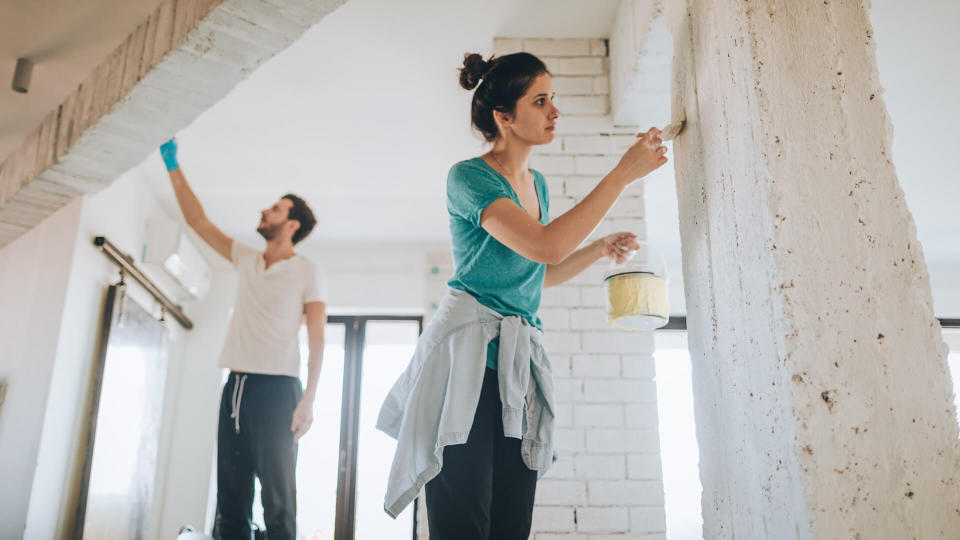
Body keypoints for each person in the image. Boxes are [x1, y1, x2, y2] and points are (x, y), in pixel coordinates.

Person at [376, 52, 667, 539]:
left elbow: (538, 273)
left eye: (553, 98)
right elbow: (547, 245)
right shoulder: (469, 178)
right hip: (464, 361)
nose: (555, 111)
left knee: (512, 522)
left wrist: (597, 249)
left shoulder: (537, 185)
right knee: (465, 522)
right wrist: (622, 174)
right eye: (540, 100)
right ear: (503, 117)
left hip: (514, 364)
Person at [159, 138, 327, 540]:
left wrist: (309, 400)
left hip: (280, 390)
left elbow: (318, 339)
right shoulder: (246, 259)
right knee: (231, 499)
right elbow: (198, 222)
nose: (264, 211)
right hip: (236, 386)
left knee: (278, 501)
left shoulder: (308, 271)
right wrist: (172, 165)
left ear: (292, 225)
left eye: (275, 209)